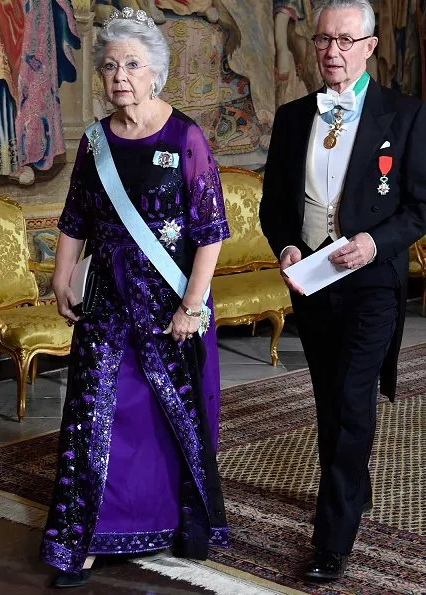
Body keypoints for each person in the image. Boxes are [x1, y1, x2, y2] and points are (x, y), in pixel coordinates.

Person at [40, 7, 230, 588]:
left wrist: (191, 305)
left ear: (156, 75)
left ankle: (172, 522)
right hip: (107, 302)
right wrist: (61, 274)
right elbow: (75, 217)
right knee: (94, 418)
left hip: (173, 306)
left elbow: (210, 231)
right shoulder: (96, 141)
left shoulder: (185, 137)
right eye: (110, 65)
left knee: (163, 418)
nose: (120, 75)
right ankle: (85, 537)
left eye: (133, 65)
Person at [260, 0, 426, 582]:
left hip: (372, 285)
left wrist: (376, 244)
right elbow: (274, 206)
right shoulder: (290, 116)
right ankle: (355, 485)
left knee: (352, 404)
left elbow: (419, 208)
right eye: (324, 40)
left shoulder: (404, 115)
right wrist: (285, 246)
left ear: (371, 47)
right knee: (330, 401)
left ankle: (332, 539)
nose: (333, 52)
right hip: (311, 285)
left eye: (346, 41)